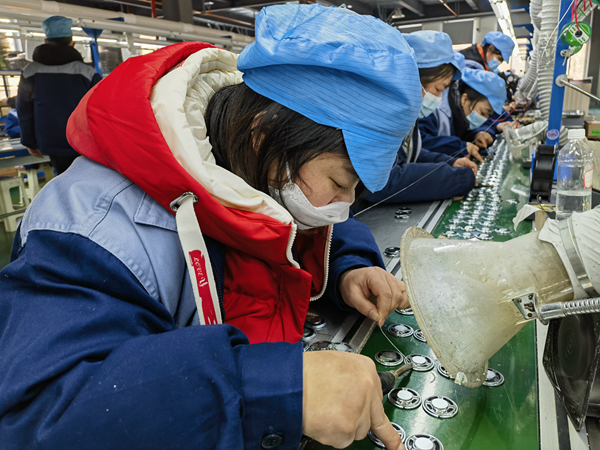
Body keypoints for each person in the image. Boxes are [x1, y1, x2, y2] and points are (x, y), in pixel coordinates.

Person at [0, 5, 421, 450]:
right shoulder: (96, 230)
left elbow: (287, 223)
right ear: (264, 133)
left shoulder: (249, 162)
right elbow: (37, 415)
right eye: (339, 182)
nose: (343, 207)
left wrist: (347, 268)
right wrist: (271, 390)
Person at [363, 30, 477, 204]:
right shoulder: (377, 117)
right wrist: (455, 179)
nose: (438, 99)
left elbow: (408, 154)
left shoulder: (405, 115)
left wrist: (447, 162)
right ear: (413, 80)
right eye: (438, 89)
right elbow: (379, 182)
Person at [16, 16, 102, 174]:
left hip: (50, 141)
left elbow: (24, 109)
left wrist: (29, 142)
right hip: (84, 141)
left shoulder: (30, 72)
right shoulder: (87, 72)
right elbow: (101, 109)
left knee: (64, 178)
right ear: (72, 42)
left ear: (46, 41)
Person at [419, 68, 507, 163]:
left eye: (487, 115)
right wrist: (459, 147)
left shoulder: (461, 112)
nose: (483, 119)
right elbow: (420, 143)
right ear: (464, 100)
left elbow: (477, 126)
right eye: (482, 113)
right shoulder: (432, 109)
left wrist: (478, 134)